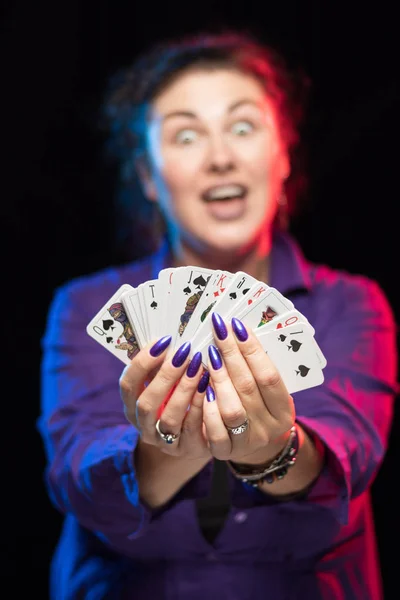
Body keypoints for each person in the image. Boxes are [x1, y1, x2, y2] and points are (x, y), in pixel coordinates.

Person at [38, 29, 398, 599]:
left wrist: (272, 452)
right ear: (149, 178)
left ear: (283, 156)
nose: (220, 157)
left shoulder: (352, 303)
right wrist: (162, 453)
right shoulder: (86, 306)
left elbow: (348, 468)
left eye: (242, 126)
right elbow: (78, 485)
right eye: (185, 135)